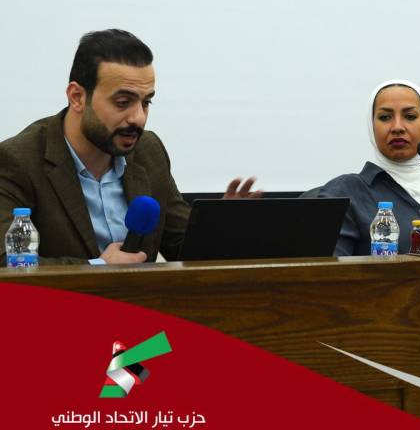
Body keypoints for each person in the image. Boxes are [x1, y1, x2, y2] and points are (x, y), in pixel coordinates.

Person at [0, 29, 259, 265]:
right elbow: (5, 263)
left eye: (146, 103)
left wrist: (218, 227)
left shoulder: (148, 151)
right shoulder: (17, 161)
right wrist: (98, 268)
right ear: (77, 97)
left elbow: (182, 247)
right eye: (123, 102)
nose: (139, 118)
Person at [308, 79, 420, 255]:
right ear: (371, 125)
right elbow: (329, 267)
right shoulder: (345, 192)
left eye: (410, 116)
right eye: (385, 117)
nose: (397, 127)